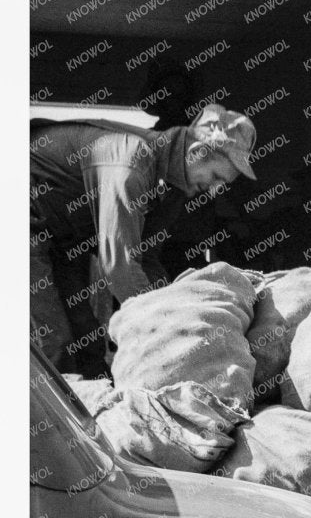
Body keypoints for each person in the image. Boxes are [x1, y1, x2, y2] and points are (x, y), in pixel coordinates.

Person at [29, 103, 258, 376]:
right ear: (196, 152)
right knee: (55, 340)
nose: (214, 190)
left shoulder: (175, 185)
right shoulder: (130, 160)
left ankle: (97, 411)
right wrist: (164, 332)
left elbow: (146, 257)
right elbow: (120, 265)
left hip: (62, 240)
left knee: (86, 340)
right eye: (216, 177)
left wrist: (177, 311)